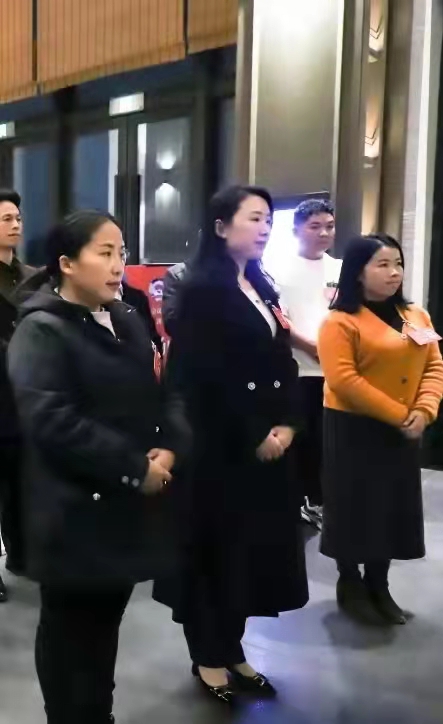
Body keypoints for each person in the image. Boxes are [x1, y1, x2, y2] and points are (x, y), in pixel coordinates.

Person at [7, 210, 184, 724]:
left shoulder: (125, 317)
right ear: (66, 263)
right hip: (72, 511)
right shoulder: (42, 329)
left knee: (103, 631)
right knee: (70, 637)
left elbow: (160, 391)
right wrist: (134, 467)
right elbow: (52, 420)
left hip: (122, 509)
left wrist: (169, 445)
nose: (117, 265)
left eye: (121, 253)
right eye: (104, 253)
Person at [154, 185, 309, 704]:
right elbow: (202, 377)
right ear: (221, 227)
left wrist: (289, 424)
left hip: (268, 445)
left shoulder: (260, 285)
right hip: (219, 449)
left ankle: (233, 646)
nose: (265, 228)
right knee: (215, 552)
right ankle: (208, 655)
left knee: (249, 554)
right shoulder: (202, 291)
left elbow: (281, 360)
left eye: (268, 219)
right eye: (254, 218)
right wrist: (254, 433)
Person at [318, 234, 443, 626]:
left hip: (403, 429)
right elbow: (344, 380)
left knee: (390, 508)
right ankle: (350, 583)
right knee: (354, 507)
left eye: (398, 264)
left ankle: (379, 584)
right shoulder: (340, 321)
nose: (394, 273)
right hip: (354, 428)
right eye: (383, 264)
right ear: (358, 272)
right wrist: (400, 414)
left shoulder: (415, 316)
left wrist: (424, 410)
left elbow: (433, 365)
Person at [267, 198, 341, 529]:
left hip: (335, 370)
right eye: (315, 226)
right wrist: (310, 346)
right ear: (297, 229)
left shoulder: (340, 269)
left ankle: (321, 501)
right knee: (301, 438)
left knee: (328, 442)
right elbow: (277, 318)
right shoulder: (276, 269)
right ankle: (298, 502)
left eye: (329, 226)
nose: (324, 233)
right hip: (297, 367)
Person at [0, 189, 33, 600]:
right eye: (6, 218)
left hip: (24, 392)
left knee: (21, 478)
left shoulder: (32, 276)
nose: (15, 224)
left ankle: (22, 553)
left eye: (18, 218)